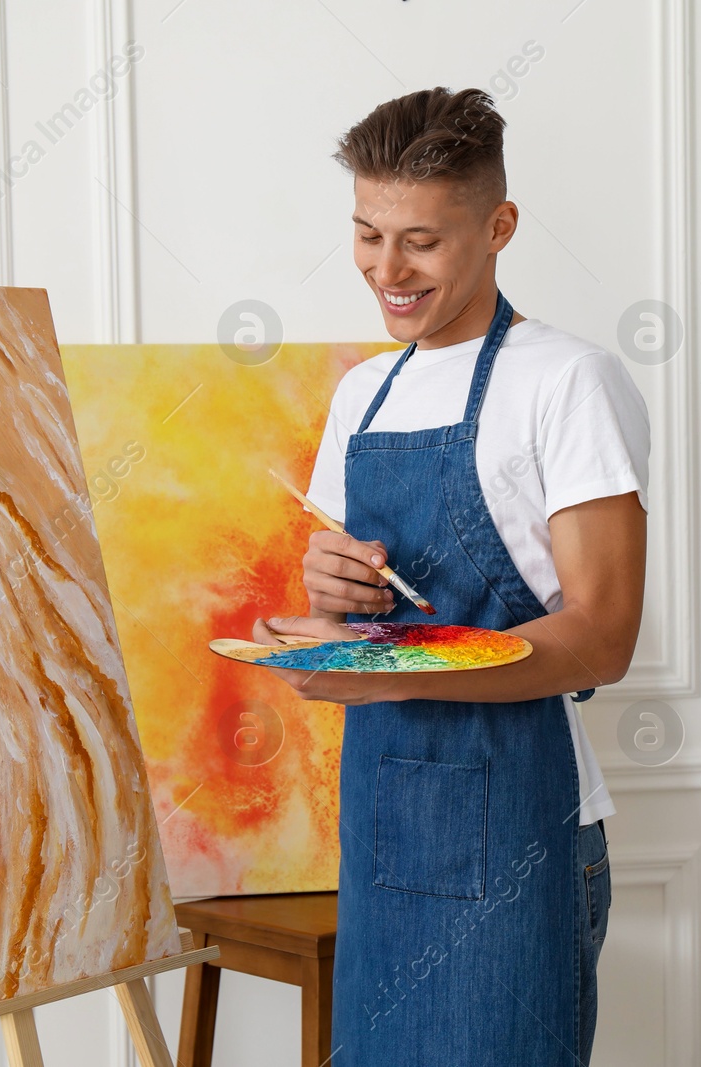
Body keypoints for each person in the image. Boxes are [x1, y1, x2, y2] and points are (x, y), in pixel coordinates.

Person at [250, 85, 650, 1066]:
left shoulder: (568, 382)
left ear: (497, 225)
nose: (387, 269)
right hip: (388, 830)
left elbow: (602, 635)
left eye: (420, 241)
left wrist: (386, 670)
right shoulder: (362, 394)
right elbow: (344, 625)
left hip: (521, 827)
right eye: (366, 233)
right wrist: (328, 594)